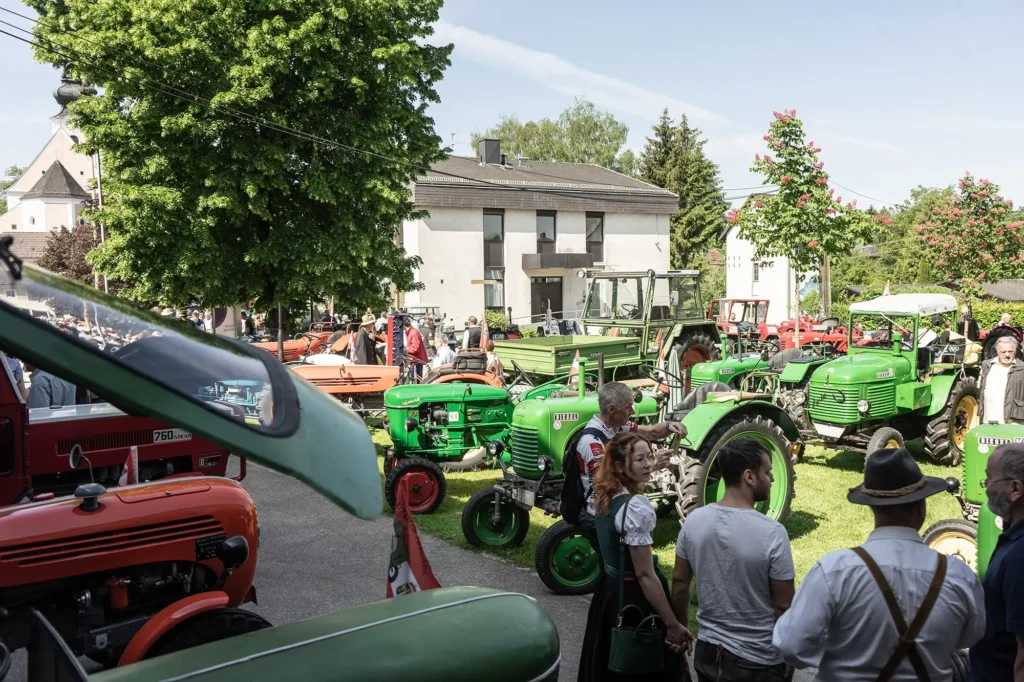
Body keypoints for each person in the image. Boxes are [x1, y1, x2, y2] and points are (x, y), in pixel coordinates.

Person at [773, 447, 985, 679]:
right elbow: (971, 637)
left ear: (872, 508)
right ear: (921, 509)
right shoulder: (958, 575)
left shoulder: (834, 571)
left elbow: (791, 645)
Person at [673, 438, 795, 681]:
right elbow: (784, 605)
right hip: (758, 661)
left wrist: (681, 626)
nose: (772, 478)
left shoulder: (694, 521)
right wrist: (790, 655)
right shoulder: (772, 533)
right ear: (749, 477)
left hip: (708, 651)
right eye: (767, 472)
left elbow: (679, 582)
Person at [577, 432, 690, 682]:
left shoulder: (606, 494)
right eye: (640, 459)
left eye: (650, 457)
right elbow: (645, 575)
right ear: (619, 466)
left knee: (610, 659)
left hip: (609, 590)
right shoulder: (635, 507)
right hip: (633, 596)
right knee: (640, 662)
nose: (648, 464)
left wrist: (645, 467)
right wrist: (671, 623)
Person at [970, 442, 1024, 681]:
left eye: (990, 478)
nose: (986, 486)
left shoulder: (1019, 559)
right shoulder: (1015, 542)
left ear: (1015, 489)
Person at [980, 336, 1024, 425]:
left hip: (1013, 421)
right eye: (1003, 352)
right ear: (997, 351)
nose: (1007, 355)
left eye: (1010, 351)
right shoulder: (986, 365)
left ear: (1015, 351)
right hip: (988, 418)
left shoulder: (1022, 368)